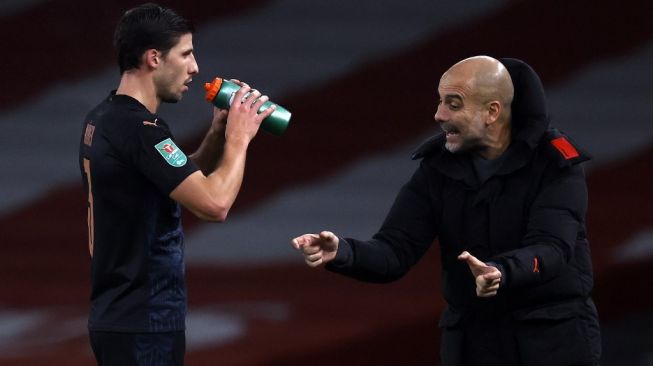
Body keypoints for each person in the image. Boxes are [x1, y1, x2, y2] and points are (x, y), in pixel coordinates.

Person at [291, 56, 601, 366]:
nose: (438, 115)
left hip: (552, 342)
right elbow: (394, 252)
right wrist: (343, 252)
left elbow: (552, 248)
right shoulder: (437, 168)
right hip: (473, 343)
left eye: (453, 104)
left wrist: (502, 271)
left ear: (492, 111)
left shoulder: (555, 163)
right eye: (440, 101)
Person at [78, 3, 275, 365]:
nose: (195, 67)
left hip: (119, 316)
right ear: (154, 58)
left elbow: (176, 181)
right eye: (185, 54)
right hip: (144, 322)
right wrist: (239, 138)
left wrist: (217, 136)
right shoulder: (141, 131)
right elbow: (214, 204)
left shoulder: (104, 118)